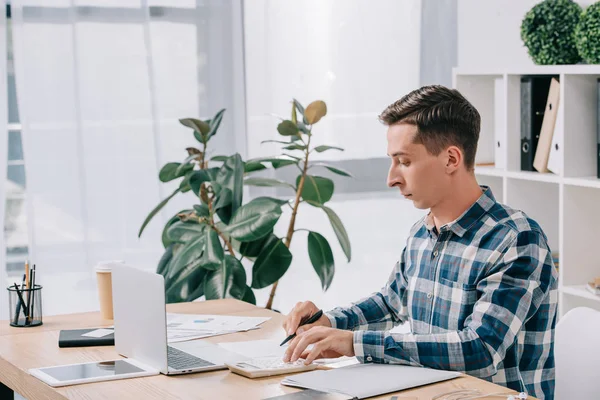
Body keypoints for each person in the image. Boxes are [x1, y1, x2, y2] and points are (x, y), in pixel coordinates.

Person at [282, 85, 558, 400]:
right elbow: (391, 302)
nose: (391, 178)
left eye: (404, 162)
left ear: (451, 159)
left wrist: (354, 344)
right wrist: (328, 321)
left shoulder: (516, 239)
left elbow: (481, 350)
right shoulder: (422, 232)